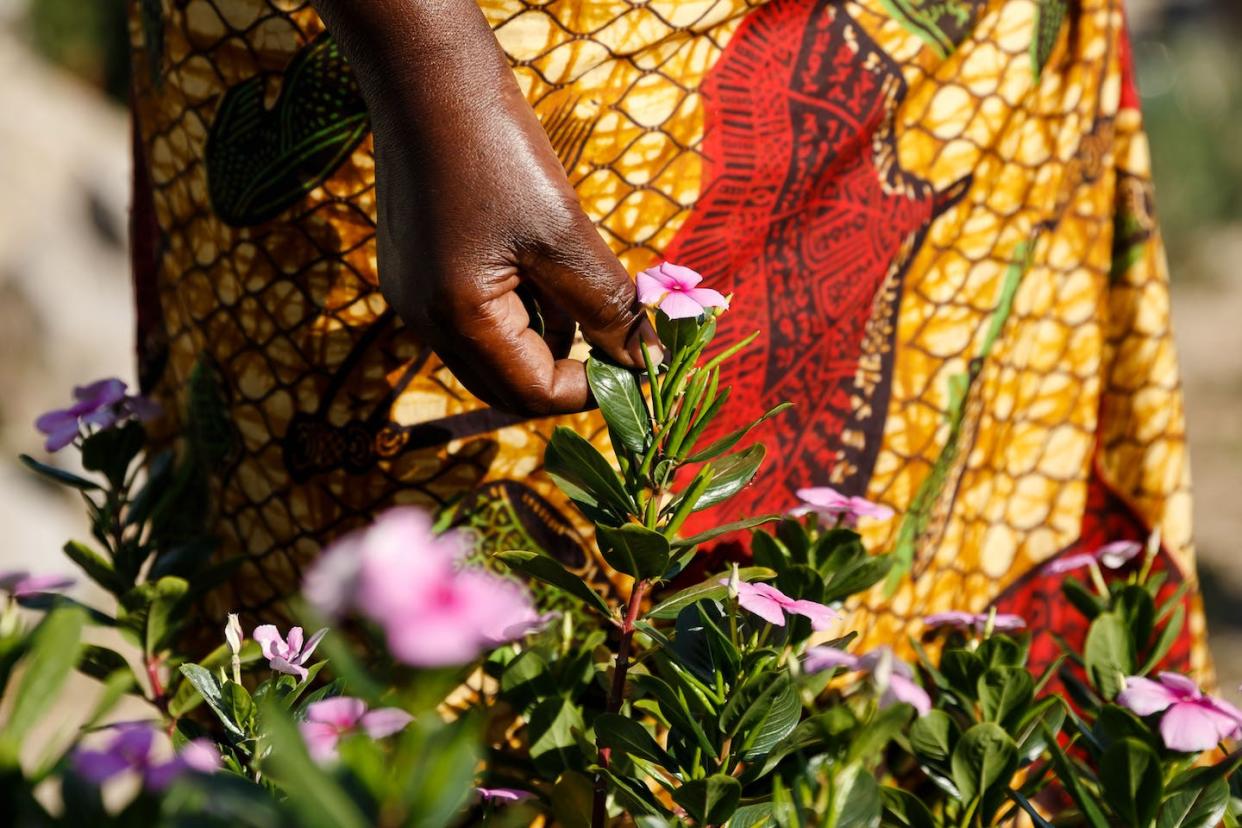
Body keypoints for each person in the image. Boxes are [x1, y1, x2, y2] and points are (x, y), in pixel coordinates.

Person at [127, 0, 1210, 678]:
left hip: (958, 69)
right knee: (427, 703)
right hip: (509, 87)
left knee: (909, 677)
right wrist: (431, 64)